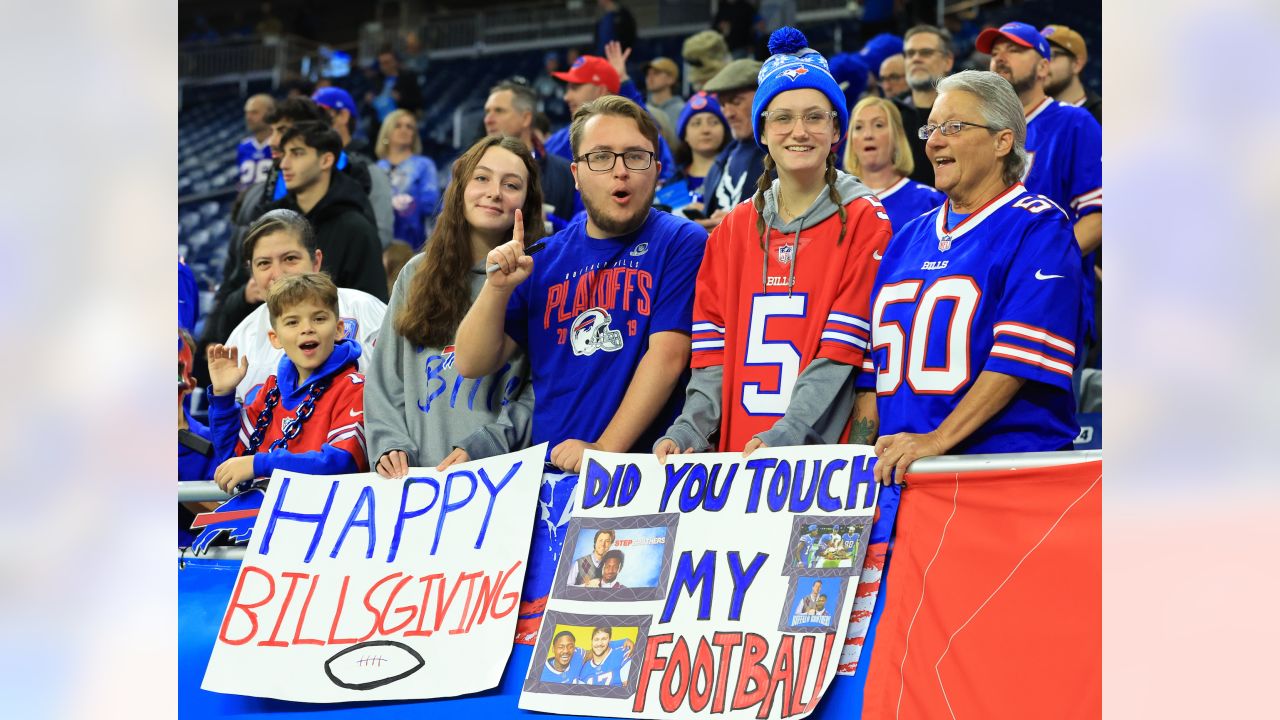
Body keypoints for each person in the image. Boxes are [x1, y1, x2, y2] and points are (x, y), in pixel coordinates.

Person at [655, 27, 891, 460]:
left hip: (817, 463)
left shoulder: (864, 219)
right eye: (782, 117)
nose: (798, 131)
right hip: (738, 459)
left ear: (836, 129)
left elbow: (842, 352)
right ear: (762, 130)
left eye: (815, 116)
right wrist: (688, 429)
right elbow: (712, 352)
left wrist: (788, 433)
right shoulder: (733, 229)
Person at [455, 94, 706, 473]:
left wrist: (604, 449)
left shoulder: (681, 240)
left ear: (656, 169)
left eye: (636, 156)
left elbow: (668, 357)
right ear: (575, 174)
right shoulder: (543, 257)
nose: (620, 170)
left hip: (639, 474)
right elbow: (472, 363)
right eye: (601, 157)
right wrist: (497, 289)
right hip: (549, 478)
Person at [859, 70, 1083, 487]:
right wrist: (860, 454)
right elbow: (872, 374)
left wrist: (938, 439)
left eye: (954, 127)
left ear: (1003, 141)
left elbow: (1017, 359)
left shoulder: (1041, 228)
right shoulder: (908, 237)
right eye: (932, 128)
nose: (935, 141)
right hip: (902, 482)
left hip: (1001, 482)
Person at [365, 136, 544, 477]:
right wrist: (388, 442)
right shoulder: (415, 274)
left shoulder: (539, 280)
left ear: (527, 201)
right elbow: (385, 378)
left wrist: (490, 442)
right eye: (482, 178)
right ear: (460, 187)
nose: (494, 192)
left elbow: (541, 390)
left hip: (499, 476)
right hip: (411, 480)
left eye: (511, 185)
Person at [978, 21, 1101, 359]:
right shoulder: (982, 133)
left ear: (1044, 67)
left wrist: (1034, 266)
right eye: (995, 52)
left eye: (1015, 50)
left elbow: (1098, 218)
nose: (1000, 58)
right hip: (988, 299)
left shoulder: (1075, 123)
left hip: (1050, 301)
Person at [206, 272, 370, 493]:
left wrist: (261, 464)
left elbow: (340, 463)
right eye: (292, 322)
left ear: (339, 329)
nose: (307, 328)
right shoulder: (270, 390)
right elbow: (232, 462)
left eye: (319, 318)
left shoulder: (355, 388)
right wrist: (223, 397)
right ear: (275, 338)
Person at [224, 209, 385, 402]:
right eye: (264, 263)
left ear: (316, 261)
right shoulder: (240, 340)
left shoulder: (365, 310)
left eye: (290, 259)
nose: (278, 274)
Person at [267, 122, 388, 300]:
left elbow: (371, 310)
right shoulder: (271, 222)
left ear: (326, 160)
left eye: (297, 153)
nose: (283, 164)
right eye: (284, 154)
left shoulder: (357, 229)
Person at [543, 45, 677, 182]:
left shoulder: (635, 134)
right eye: (567, 89)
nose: (566, 97)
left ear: (601, 91)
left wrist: (625, 84)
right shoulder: (558, 141)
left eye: (575, 88)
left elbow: (664, 170)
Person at [843, 96, 944, 234]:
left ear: (897, 136)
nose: (867, 135)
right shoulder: (834, 200)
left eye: (878, 125)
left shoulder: (929, 201)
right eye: (859, 127)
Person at [484, 81, 578, 224]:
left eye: (499, 111)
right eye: (487, 111)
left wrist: (549, 222)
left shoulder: (566, 173)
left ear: (526, 118)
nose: (488, 120)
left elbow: (582, 232)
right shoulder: (468, 167)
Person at [312, 86, 396, 248]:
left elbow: (382, 234)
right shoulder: (305, 169)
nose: (312, 121)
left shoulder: (370, 170)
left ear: (343, 115)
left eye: (319, 113)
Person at [695, 58, 764, 230]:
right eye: (722, 105)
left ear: (763, 97)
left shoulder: (785, 157)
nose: (728, 113)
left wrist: (738, 224)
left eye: (736, 102)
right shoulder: (723, 159)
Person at [896, 25, 957, 188]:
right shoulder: (890, 113)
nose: (916, 58)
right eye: (910, 54)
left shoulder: (965, 112)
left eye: (926, 53)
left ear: (948, 61)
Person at [375, 108, 440, 251]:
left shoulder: (424, 165)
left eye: (409, 127)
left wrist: (408, 205)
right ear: (387, 131)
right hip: (380, 244)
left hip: (414, 243)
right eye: (398, 126)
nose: (404, 130)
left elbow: (432, 205)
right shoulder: (377, 168)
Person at [655, 91, 729, 215]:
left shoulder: (737, 176)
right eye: (696, 123)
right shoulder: (672, 180)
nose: (705, 130)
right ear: (685, 135)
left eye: (713, 122)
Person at [1041, 24, 1101, 123]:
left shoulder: (1102, 118)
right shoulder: (1026, 113)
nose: (1042, 64)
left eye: (1051, 55)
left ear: (1077, 64)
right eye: (1039, 56)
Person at [369, 45, 424, 123]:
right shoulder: (376, 80)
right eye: (381, 63)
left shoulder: (408, 79)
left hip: (400, 124)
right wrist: (369, 101)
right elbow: (372, 109)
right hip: (379, 127)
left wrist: (400, 99)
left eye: (387, 62)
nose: (384, 66)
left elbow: (418, 103)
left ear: (395, 62)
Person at [237, 94, 276, 189]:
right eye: (247, 112)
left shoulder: (280, 144)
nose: (248, 117)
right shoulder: (243, 146)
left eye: (254, 112)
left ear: (270, 113)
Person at [643, 57, 684, 133]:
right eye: (648, 74)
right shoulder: (641, 108)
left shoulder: (682, 110)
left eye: (656, 73)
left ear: (670, 79)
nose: (650, 77)